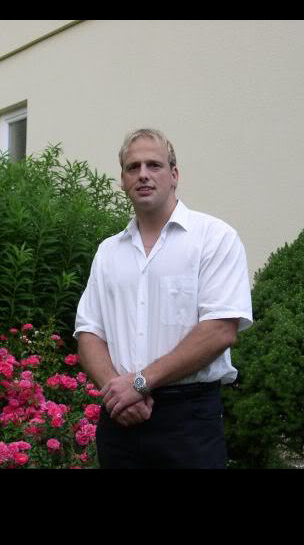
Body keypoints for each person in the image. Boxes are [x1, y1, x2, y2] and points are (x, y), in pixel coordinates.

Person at [73, 128, 253, 468]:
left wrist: (140, 383)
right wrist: (119, 391)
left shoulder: (214, 238)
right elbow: (88, 333)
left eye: (154, 165)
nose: (143, 174)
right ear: (123, 180)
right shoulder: (108, 252)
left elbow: (220, 330)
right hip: (120, 419)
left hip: (189, 421)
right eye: (133, 167)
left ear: (174, 175)